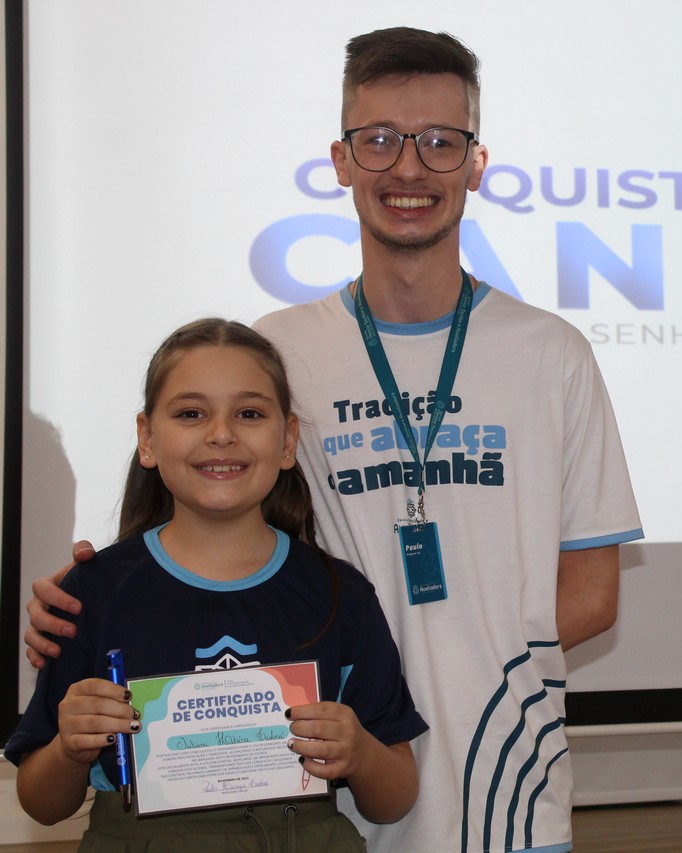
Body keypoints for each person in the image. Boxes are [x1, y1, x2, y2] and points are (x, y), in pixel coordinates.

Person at [25, 27, 644, 853]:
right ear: (342, 160)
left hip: (506, 791)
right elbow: (215, 535)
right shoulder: (281, 349)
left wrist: (439, 670)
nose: (409, 168)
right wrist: (99, 605)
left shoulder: (552, 353)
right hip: (307, 799)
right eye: (379, 140)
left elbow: (594, 595)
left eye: (439, 141)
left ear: (476, 163)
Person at [8, 319, 426, 850]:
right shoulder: (91, 592)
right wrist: (70, 748)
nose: (222, 434)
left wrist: (360, 752)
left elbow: (394, 798)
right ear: (147, 438)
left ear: (288, 440)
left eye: (249, 413)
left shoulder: (340, 593)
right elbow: (42, 805)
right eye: (191, 413)